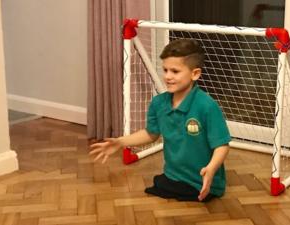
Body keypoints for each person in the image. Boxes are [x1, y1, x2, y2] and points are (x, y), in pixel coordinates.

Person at [89, 39, 231, 202]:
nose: (168, 76)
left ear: (195, 74)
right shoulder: (158, 103)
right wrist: (120, 142)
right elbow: (151, 134)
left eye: (175, 71)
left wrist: (211, 169)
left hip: (203, 180)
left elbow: (222, 145)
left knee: (173, 190)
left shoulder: (207, 106)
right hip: (173, 174)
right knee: (158, 185)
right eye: (165, 70)